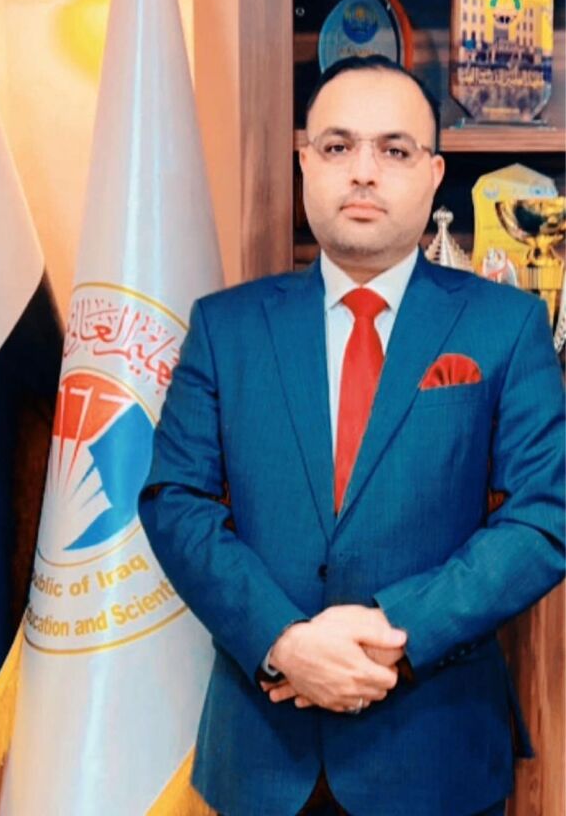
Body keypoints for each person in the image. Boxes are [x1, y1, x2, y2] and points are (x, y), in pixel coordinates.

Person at [138, 55, 565, 816]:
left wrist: (398, 629)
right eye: (337, 146)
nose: (363, 171)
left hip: (437, 751)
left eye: (394, 149)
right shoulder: (226, 328)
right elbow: (176, 501)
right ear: (305, 162)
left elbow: (544, 516)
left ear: (433, 173)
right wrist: (283, 641)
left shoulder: (506, 325)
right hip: (263, 750)